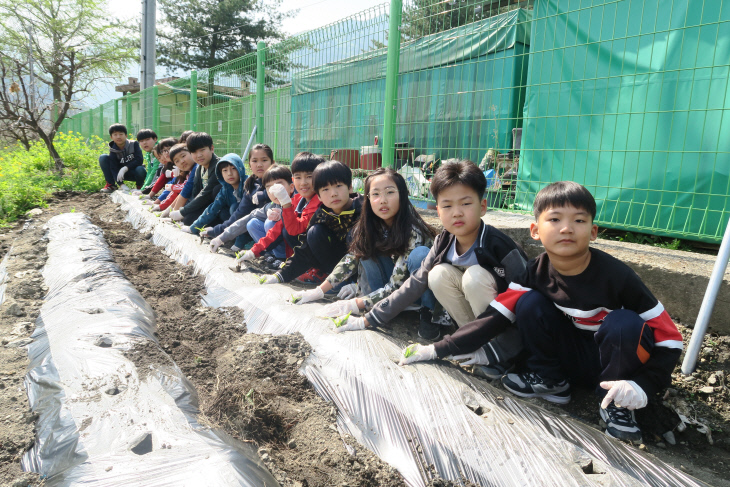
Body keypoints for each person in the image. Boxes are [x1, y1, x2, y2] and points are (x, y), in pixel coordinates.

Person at [400, 181, 684, 443]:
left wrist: (643, 386)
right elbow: (494, 316)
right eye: (555, 219)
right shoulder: (534, 272)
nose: (566, 228)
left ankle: (617, 404)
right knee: (528, 302)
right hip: (571, 360)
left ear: (593, 232)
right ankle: (551, 380)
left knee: (624, 322)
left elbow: (670, 340)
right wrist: (438, 349)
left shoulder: (617, 276)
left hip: (613, 365)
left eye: (579, 220)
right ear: (535, 231)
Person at [329, 161, 527, 350]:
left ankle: (495, 347)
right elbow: (414, 283)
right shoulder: (444, 241)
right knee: (437, 274)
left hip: (508, 324)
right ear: (438, 212)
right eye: (447, 206)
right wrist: (368, 319)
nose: (457, 213)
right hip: (472, 321)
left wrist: (514, 346)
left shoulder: (499, 245)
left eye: (466, 204)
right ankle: (476, 343)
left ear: (482, 206)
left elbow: (528, 297)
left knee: (474, 277)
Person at [290, 168, 439, 324]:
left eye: (389, 192)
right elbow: (352, 258)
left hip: (412, 293)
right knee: (364, 249)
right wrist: (319, 291)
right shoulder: (370, 224)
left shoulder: (412, 230)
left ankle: (427, 315)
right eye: (375, 194)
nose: (383, 200)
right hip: (386, 292)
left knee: (420, 254)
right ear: (368, 198)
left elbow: (397, 284)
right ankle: (378, 304)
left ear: (402, 194)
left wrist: (354, 304)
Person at [256, 160, 362, 284]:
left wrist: (358, 283)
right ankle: (336, 279)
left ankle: (355, 282)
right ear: (319, 196)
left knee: (355, 234)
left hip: (364, 267)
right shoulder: (322, 214)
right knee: (314, 232)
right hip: (339, 262)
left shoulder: (363, 209)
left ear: (350, 187)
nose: (333, 194)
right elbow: (305, 250)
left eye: (338, 186)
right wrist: (280, 276)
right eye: (326, 189)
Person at [223, 152, 323, 262]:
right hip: (300, 248)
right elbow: (275, 230)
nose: (303, 182)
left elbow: (295, 229)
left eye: (309, 177)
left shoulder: (319, 202)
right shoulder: (297, 200)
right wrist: (253, 252)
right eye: (298, 177)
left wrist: (286, 204)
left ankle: (308, 266)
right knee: (258, 223)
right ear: (294, 180)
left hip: (325, 254)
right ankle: (277, 257)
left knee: (313, 231)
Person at [199, 143, 274, 250]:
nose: (259, 165)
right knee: (247, 218)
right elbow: (240, 214)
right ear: (249, 164)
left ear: (273, 162)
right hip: (259, 224)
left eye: (264, 160)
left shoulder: (278, 178)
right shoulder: (251, 185)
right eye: (255, 161)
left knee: (269, 222)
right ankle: (260, 246)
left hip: (282, 225)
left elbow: (283, 193)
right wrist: (217, 231)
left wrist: (264, 194)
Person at [184, 153, 246, 235]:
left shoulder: (248, 184)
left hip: (250, 221)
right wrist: (193, 228)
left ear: (240, 168)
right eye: (225, 170)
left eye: (234, 168)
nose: (230, 173)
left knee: (234, 208)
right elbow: (213, 209)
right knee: (223, 212)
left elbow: (245, 212)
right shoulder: (226, 189)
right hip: (234, 222)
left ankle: (241, 239)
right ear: (220, 173)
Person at [170, 132, 221, 226]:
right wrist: (184, 211)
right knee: (188, 219)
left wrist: (182, 212)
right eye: (194, 152)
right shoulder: (199, 168)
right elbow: (196, 193)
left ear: (212, 148)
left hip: (223, 208)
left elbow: (206, 193)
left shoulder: (219, 166)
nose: (199, 155)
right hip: (208, 205)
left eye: (202, 150)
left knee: (216, 190)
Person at [99, 123, 146, 193]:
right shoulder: (113, 150)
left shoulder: (134, 144)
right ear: (111, 137)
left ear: (126, 135)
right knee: (103, 157)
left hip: (134, 172)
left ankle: (140, 186)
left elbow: (139, 160)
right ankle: (111, 185)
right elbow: (113, 168)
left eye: (121, 134)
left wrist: (126, 168)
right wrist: (121, 185)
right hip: (120, 175)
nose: (118, 137)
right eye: (115, 134)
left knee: (140, 169)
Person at [155, 144, 196, 213]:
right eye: (177, 161)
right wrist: (162, 206)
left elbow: (185, 188)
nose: (182, 161)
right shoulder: (187, 172)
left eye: (183, 156)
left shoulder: (196, 167)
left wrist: (172, 187)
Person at [136, 129, 159, 193]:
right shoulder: (149, 153)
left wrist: (143, 190)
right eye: (141, 141)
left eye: (147, 139)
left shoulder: (159, 151)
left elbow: (154, 171)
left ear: (155, 139)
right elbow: (149, 171)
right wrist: (144, 187)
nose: (144, 143)